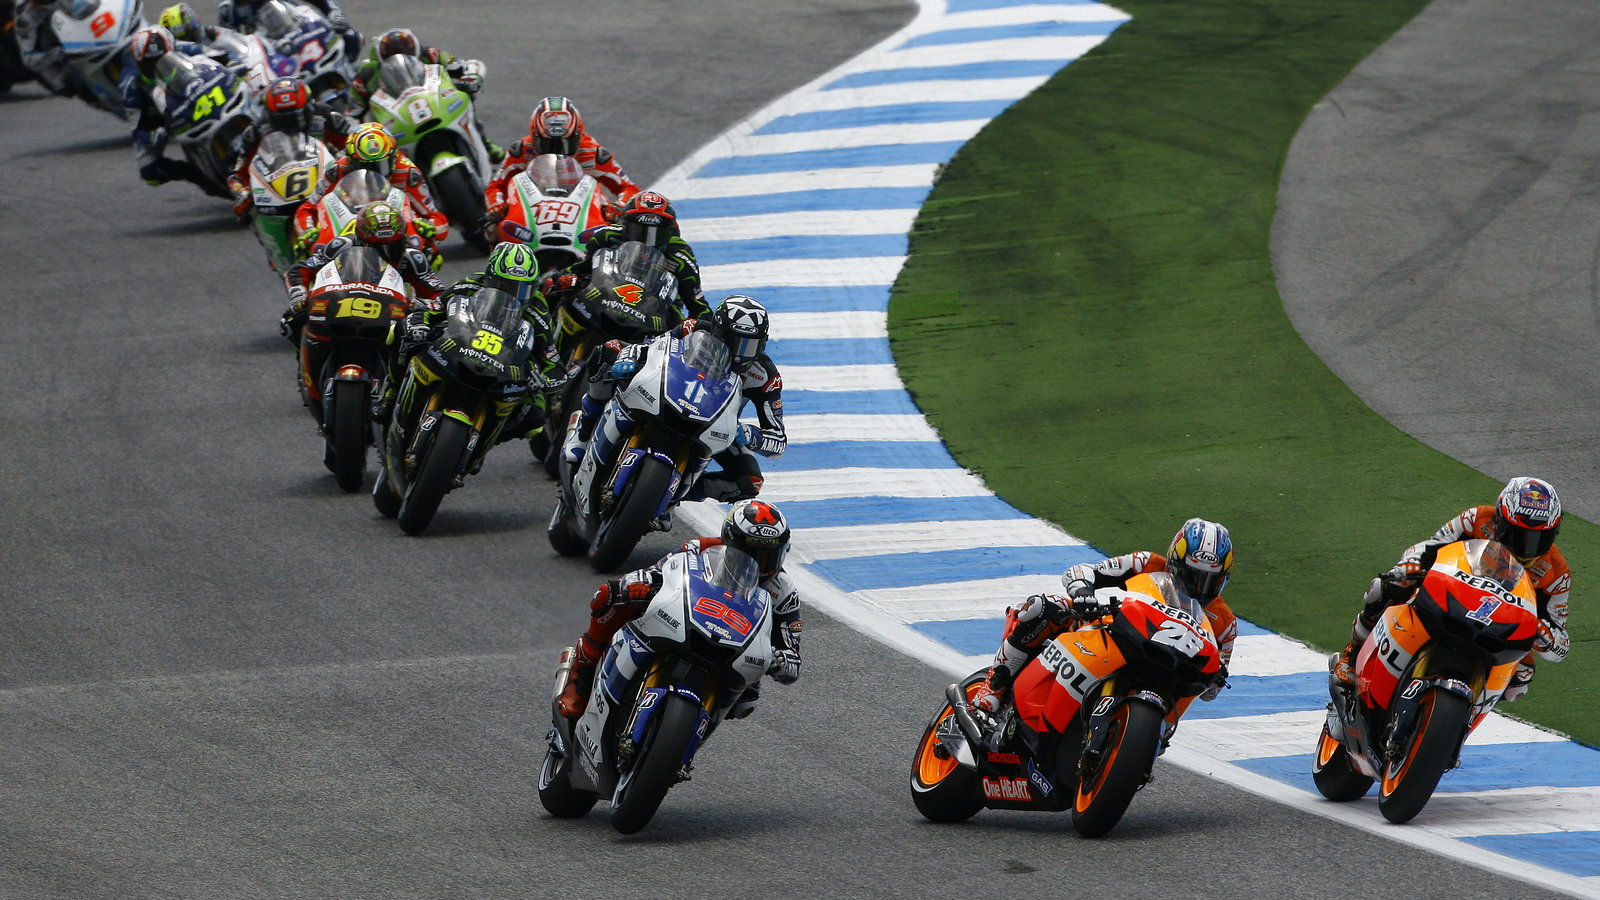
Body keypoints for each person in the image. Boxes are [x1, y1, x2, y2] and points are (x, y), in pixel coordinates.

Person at [970, 518, 1238, 744]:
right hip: (1121, 636)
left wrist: (1215, 680)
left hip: (1166, 676)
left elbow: (1211, 687)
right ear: (1174, 562)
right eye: (1191, 577)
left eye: (1209, 581)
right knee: (1044, 607)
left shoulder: (1225, 624)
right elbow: (1081, 571)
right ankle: (994, 685)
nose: (1198, 588)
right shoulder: (1144, 563)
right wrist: (1084, 592)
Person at [555, 499, 803, 721]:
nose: (758, 564)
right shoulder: (701, 549)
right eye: (751, 553)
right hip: (684, 622)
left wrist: (784, 660)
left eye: (769, 554)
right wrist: (637, 585)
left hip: (736, 650)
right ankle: (583, 673)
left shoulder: (783, 591)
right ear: (729, 541)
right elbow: (659, 572)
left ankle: (687, 741)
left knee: (745, 703)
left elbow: (792, 652)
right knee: (608, 594)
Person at [1331, 476, 1570, 701]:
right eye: (1519, 535)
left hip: (1502, 623)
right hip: (1451, 595)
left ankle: (1463, 717)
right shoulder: (1476, 518)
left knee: (1521, 679)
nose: (1527, 547)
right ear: (1500, 520)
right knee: (1388, 585)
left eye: (1540, 538)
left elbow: (1561, 646)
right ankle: (1353, 654)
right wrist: (1411, 563)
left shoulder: (1556, 572)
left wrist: (1547, 637)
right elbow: (1430, 546)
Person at [560, 294, 784, 517]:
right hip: (668, 394)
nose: (741, 353)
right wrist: (629, 358)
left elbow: (778, 441)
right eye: (735, 342)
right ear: (718, 332)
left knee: (750, 482)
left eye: (751, 346)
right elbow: (653, 347)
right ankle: (584, 430)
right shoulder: (693, 329)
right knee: (607, 350)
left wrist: (752, 435)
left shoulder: (765, 376)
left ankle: (667, 497)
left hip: (714, 427)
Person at [379, 241, 560, 434]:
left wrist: (543, 380)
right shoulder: (471, 283)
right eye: (504, 285)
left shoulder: (538, 308)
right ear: (490, 278)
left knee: (535, 418)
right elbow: (434, 308)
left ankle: (487, 436)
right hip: (461, 345)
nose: (513, 294)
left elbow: (554, 363)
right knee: (403, 329)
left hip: (506, 367)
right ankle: (390, 392)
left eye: (522, 289)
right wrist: (419, 322)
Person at [279, 200, 444, 347]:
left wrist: (423, 306)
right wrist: (300, 294)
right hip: (340, 304)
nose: (385, 254)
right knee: (291, 322)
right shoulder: (342, 245)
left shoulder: (412, 257)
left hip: (393, 315)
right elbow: (301, 268)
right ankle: (305, 365)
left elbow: (438, 295)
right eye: (376, 248)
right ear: (361, 241)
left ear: (403, 240)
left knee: (428, 338)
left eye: (392, 246)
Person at [546, 191, 710, 322]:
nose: (646, 240)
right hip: (605, 298)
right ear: (624, 225)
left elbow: (698, 305)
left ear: (669, 231)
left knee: (679, 328)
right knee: (553, 288)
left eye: (654, 234)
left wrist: (694, 325)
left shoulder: (680, 255)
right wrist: (564, 278)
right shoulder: (607, 236)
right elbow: (580, 268)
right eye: (639, 231)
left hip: (655, 313)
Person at [293, 122, 448, 258]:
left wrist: (431, 228)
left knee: (432, 255)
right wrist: (307, 230)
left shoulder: (407, 172)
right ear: (351, 161)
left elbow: (435, 216)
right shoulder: (338, 170)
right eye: (364, 166)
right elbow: (307, 209)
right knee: (309, 253)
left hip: (397, 232)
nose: (374, 172)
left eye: (381, 165)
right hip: (350, 229)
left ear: (393, 157)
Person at [483, 96, 642, 228]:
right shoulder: (522, 150)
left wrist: (617, 208)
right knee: (493, 229)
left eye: (565, 144)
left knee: (618, 232)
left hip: (584, 216)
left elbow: (628, 188)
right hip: (533, 213)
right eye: (547, 144)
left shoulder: (593, 152)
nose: (556, 151)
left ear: (578, 136)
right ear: (535, 136)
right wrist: (496, 205)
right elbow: (496, 185)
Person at [348, 27, 499, 160]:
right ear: (380, 60)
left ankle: (484, 143)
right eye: (391, 58)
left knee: (466, 95)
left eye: (408, 55)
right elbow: (352, 110)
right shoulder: (366, 74)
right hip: (394, 116)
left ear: (417, 52)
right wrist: (352, 128)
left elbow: (468, 65)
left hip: (432, 99)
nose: (402, 62)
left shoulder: (431, 54)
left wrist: (471, 79)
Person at [225, 75, 356, 224]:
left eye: (296, 115)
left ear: (309, 106)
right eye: (281, 118)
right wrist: (242, 193)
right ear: (269, 115)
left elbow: (354, 147)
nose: (290, 123)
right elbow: (237, 175)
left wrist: (345, 163)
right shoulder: (257, 132)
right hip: (280, 197)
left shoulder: (327, 118)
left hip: (330, 186)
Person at [118, 25, 228, 194]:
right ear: (139, 63)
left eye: (161, 60)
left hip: (192, 86)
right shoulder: (130, 86)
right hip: (157, 110)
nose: (156, 68)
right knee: (149, 171)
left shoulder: (184, 48)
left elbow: (220, 57)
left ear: (171, 49)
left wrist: (237, 64)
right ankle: (196, 175)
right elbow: (137, 129)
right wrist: (153, 134)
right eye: (149, 65)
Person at [216, 0, 352, 37]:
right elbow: (228, 41)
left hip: (303, 31)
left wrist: (334, 12)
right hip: (272, 53)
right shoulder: (228, 9)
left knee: (349, 36)